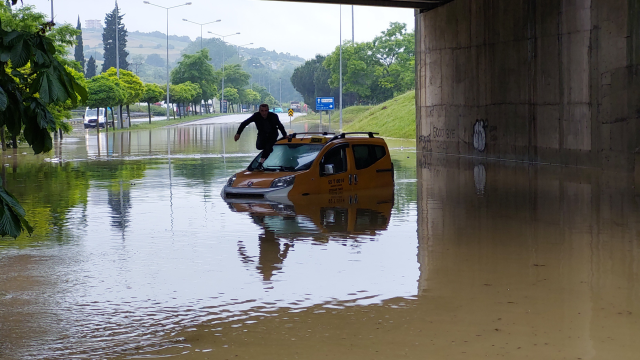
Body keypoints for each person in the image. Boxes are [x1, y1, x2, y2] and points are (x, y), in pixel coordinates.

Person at [234, 104, 288, 170]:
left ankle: (260, 163)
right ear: (259, 111)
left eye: (266, 111)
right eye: (262, 111)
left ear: (268, 110)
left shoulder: (273, 116)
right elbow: (244, 123)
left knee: (268, 147)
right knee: (259, 147)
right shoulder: (256, 116)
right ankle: (269, 149)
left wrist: (285, 135)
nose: (264, 113)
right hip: (262, 134)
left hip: (273, 134)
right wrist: (238, 134)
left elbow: (280, 126)